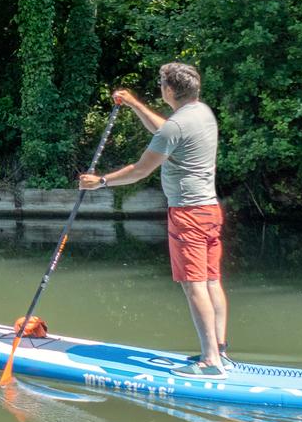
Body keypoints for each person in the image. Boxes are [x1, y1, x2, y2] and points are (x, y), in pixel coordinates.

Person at [79, 62, 229, 377]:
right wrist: (134, 104)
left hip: (188, 214)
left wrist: (101, 181)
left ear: (170, 90)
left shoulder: (176, 126)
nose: (160, 86)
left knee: (194, 285)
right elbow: (166, 130)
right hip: (210, 210)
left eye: (161, 82)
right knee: (212, 281)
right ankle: (221, 351)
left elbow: (140, 170)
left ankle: (211, 361)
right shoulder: (201, 114)